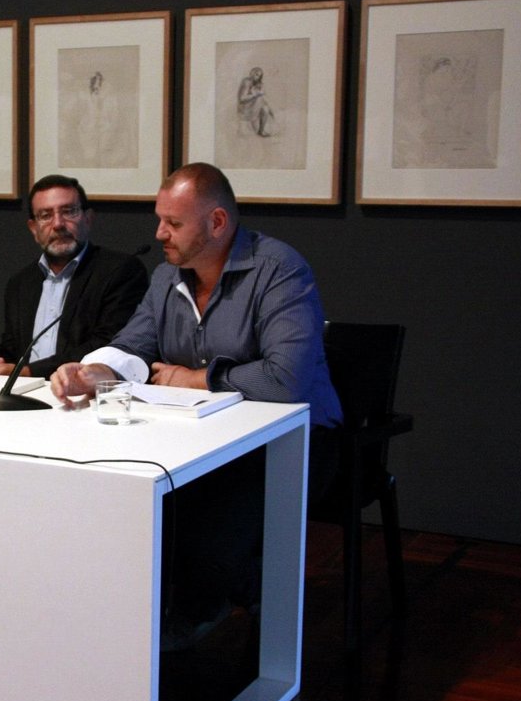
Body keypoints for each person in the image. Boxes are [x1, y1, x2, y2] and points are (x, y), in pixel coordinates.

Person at [50, 162, 342, 646]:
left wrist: (199, 378)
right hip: (203, 439)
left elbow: (287, 379)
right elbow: (134, 344)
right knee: (122, 502)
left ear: (218, 222)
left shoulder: (278, 269)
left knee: (202, 521)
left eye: (174, 223)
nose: (159, 233)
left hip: (295, 443)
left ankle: (199, 615)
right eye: (159, 219)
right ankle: (141, 616)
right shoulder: (168, 276)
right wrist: (93, 372)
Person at [0, 174, 147, 379]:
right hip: (23, 388)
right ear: (33, 228)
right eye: (46, 215)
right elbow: (10, 348)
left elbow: (108, 345)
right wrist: (2, 365)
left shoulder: (119, 271)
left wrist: (30, 372)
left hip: (83, 388)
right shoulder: (20, 283)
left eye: (68, 212)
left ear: (88, 219)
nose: (58, 224)